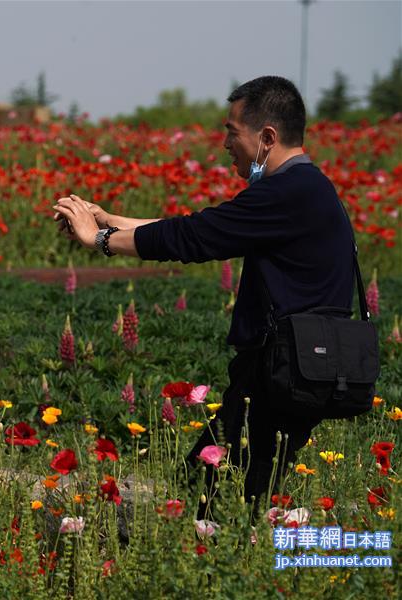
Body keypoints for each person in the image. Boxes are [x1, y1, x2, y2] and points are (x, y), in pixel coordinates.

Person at [52, 75, 355, 521]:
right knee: (219, 491)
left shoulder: (288, 193)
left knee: (212, 501)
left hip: (282, 378)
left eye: (232, 132)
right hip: (286, 373)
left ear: (267, 137)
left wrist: (100, 240)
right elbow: (203, 227)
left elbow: (195, 237)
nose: (225, 144)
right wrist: (109, 219)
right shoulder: (303, 188)